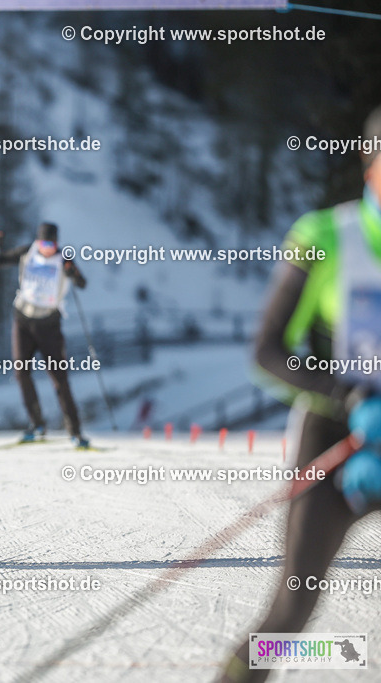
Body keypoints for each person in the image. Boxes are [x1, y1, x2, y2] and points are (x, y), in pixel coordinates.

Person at [217, 105, 381, 682]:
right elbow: (267, 350)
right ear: (370, 164)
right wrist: (348, 395)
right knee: (291, 612)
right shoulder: (326, 237)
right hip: (335, 435)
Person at [0, 222, 90, 447]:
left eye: (51, 244)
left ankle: (75, 431)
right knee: (21, 373)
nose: (46, 248)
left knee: (59, 377)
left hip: (49, 324)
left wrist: (72, 273)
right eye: (43, 243)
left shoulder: (64, 259)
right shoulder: (27, 252)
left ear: (57, 243)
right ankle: (37, 424)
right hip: (23, 319)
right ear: (37, 241)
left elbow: (82, 283)